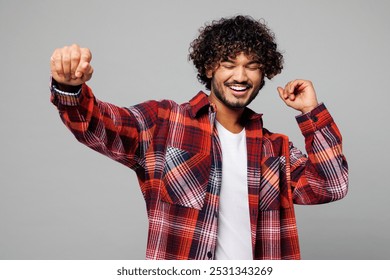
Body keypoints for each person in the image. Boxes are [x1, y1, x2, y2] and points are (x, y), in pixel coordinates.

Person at [49, 15, 348, 260]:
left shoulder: (277, 149)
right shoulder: (164, 122)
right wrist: (69, 89)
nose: (241, 76)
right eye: (229, 65)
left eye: (252, 66)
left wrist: (311, 112)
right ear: (209, 68)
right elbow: (99, 125)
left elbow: (331, 186)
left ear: (264, 73)